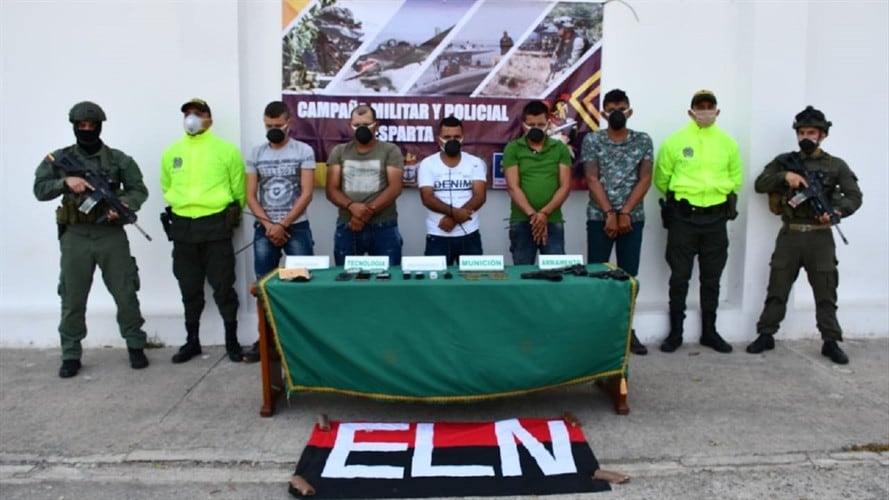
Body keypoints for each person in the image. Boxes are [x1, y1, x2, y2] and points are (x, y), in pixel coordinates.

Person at [33, 101, 150, 378]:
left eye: (91, 126)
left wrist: (121, 205)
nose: (86, 130)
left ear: (99, 126)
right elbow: (39, 189)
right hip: (75, 236)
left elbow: (138, 190)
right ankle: (71, 353)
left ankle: (135, 345)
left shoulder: (119, 159)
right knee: (72, 296)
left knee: (125, 291)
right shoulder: (59, 158)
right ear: (74, 127)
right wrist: (65, 182)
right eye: (81, 126)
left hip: (110, 234)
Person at [747, 106, 862, 365]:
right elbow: (759, 183)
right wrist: (785, 176)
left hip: (820, 237)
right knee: (778, 286)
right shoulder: (785, 161)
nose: (806, 137)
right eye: (802, 132)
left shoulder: (836, 166)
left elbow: (855, 196)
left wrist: (837, 211)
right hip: (791, 235)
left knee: (825, 291)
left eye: (811, 132)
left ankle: (830, 341)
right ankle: (766, 334)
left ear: (823, 135)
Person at [654, 90, 742, 354]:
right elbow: (662, 179)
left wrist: (713, 192)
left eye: (709, 106)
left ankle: (709, 332)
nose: (705, 110)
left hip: (715, 218)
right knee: (679, 276)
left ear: (717, 111)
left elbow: (735, 178)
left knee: (711, 277)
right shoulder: (676, 142)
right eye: (699, 107)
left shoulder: (728, 143)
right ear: (690, 111)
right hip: (684, 218)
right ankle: (676, 333)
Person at [160, 98, 247, 364]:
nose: (191, 118)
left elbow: (238, 190)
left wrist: (227, 215)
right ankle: (192, 342)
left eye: (197, 113)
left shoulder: (225, 150)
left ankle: (232, 341)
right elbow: (166, 187)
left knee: (223, 286)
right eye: (187, 114)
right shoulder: (172, 152)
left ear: (209, 119)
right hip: (183, 227)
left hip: (215, 226)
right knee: (189, 287)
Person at [243, 100, 316, 362]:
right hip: (264, 229)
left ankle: (303, 341)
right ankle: (267, 338)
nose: (273, 129)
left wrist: (283, 225)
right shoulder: (256, 153)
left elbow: (307, 193)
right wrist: (269, 225)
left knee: (303, 283)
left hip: (296, 228)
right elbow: (250, 195)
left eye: (278, 125)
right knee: (264, 285)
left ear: (289, 124)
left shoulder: (304, 150)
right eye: (268, 125)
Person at [581, 89, 653, 355]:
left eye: (621, 108)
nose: (616, 113)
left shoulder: (643, 140)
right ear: (603, 113)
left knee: (627, 277)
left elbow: (645, 178)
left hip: (632, 220)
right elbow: (591, 178)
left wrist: (624, 213)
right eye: (611, 109)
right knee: (597, 277)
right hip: (599, 218)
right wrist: (610, 213)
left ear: (630, 111)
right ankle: (597, 331)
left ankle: (626, 331)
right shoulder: (592, 140)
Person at [325, 104, 404, 266]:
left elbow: (395, 188)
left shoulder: (390, 150)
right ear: (350, 126)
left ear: (377, 125)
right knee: (347, 280)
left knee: (388, 279)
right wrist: (352, 206)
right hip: (348, 226)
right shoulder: (339, 152)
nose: (362, 129)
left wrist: (365, 213)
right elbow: (331, 189)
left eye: (367, 124)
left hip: (384, 226)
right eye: (357, 125)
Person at [502, 100, 572, 265]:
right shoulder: (513, 148)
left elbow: (565, 186)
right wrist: (534, 216)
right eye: (531, 124)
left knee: (557, 273)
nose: (536, 128)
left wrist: (544, 214)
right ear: (523, 124)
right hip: (522, 220)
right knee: (522, 273)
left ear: (548, 123)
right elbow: (513, 187)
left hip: (552, 220)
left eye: (540, 124)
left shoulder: (560, 148)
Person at [417, 116, 487, 265]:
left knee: (473, 281)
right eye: (447, 137)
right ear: (439, 139)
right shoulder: (427, 164)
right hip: (438, 235)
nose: (452, 140)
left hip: (470, 234)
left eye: (457, 136)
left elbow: (480, 196)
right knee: (436, 284)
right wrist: (455, 213)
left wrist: (453, 218)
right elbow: (427, 198)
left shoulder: (475, 162)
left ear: (463, 138)